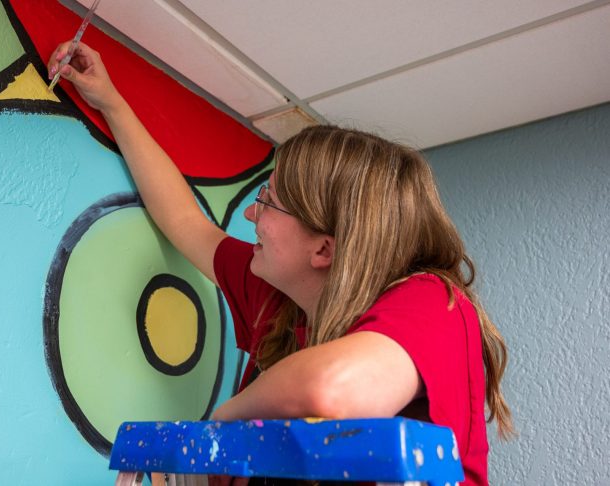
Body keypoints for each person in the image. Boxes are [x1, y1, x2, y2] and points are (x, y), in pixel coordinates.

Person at [48, 41, 514, 486]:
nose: (252, 212)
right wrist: (110, 102)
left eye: (268, 201)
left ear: (324, 251)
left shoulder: (434, 304)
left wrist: (218, 426)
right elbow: (185, 220)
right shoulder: (281, 300)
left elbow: (332, 389)